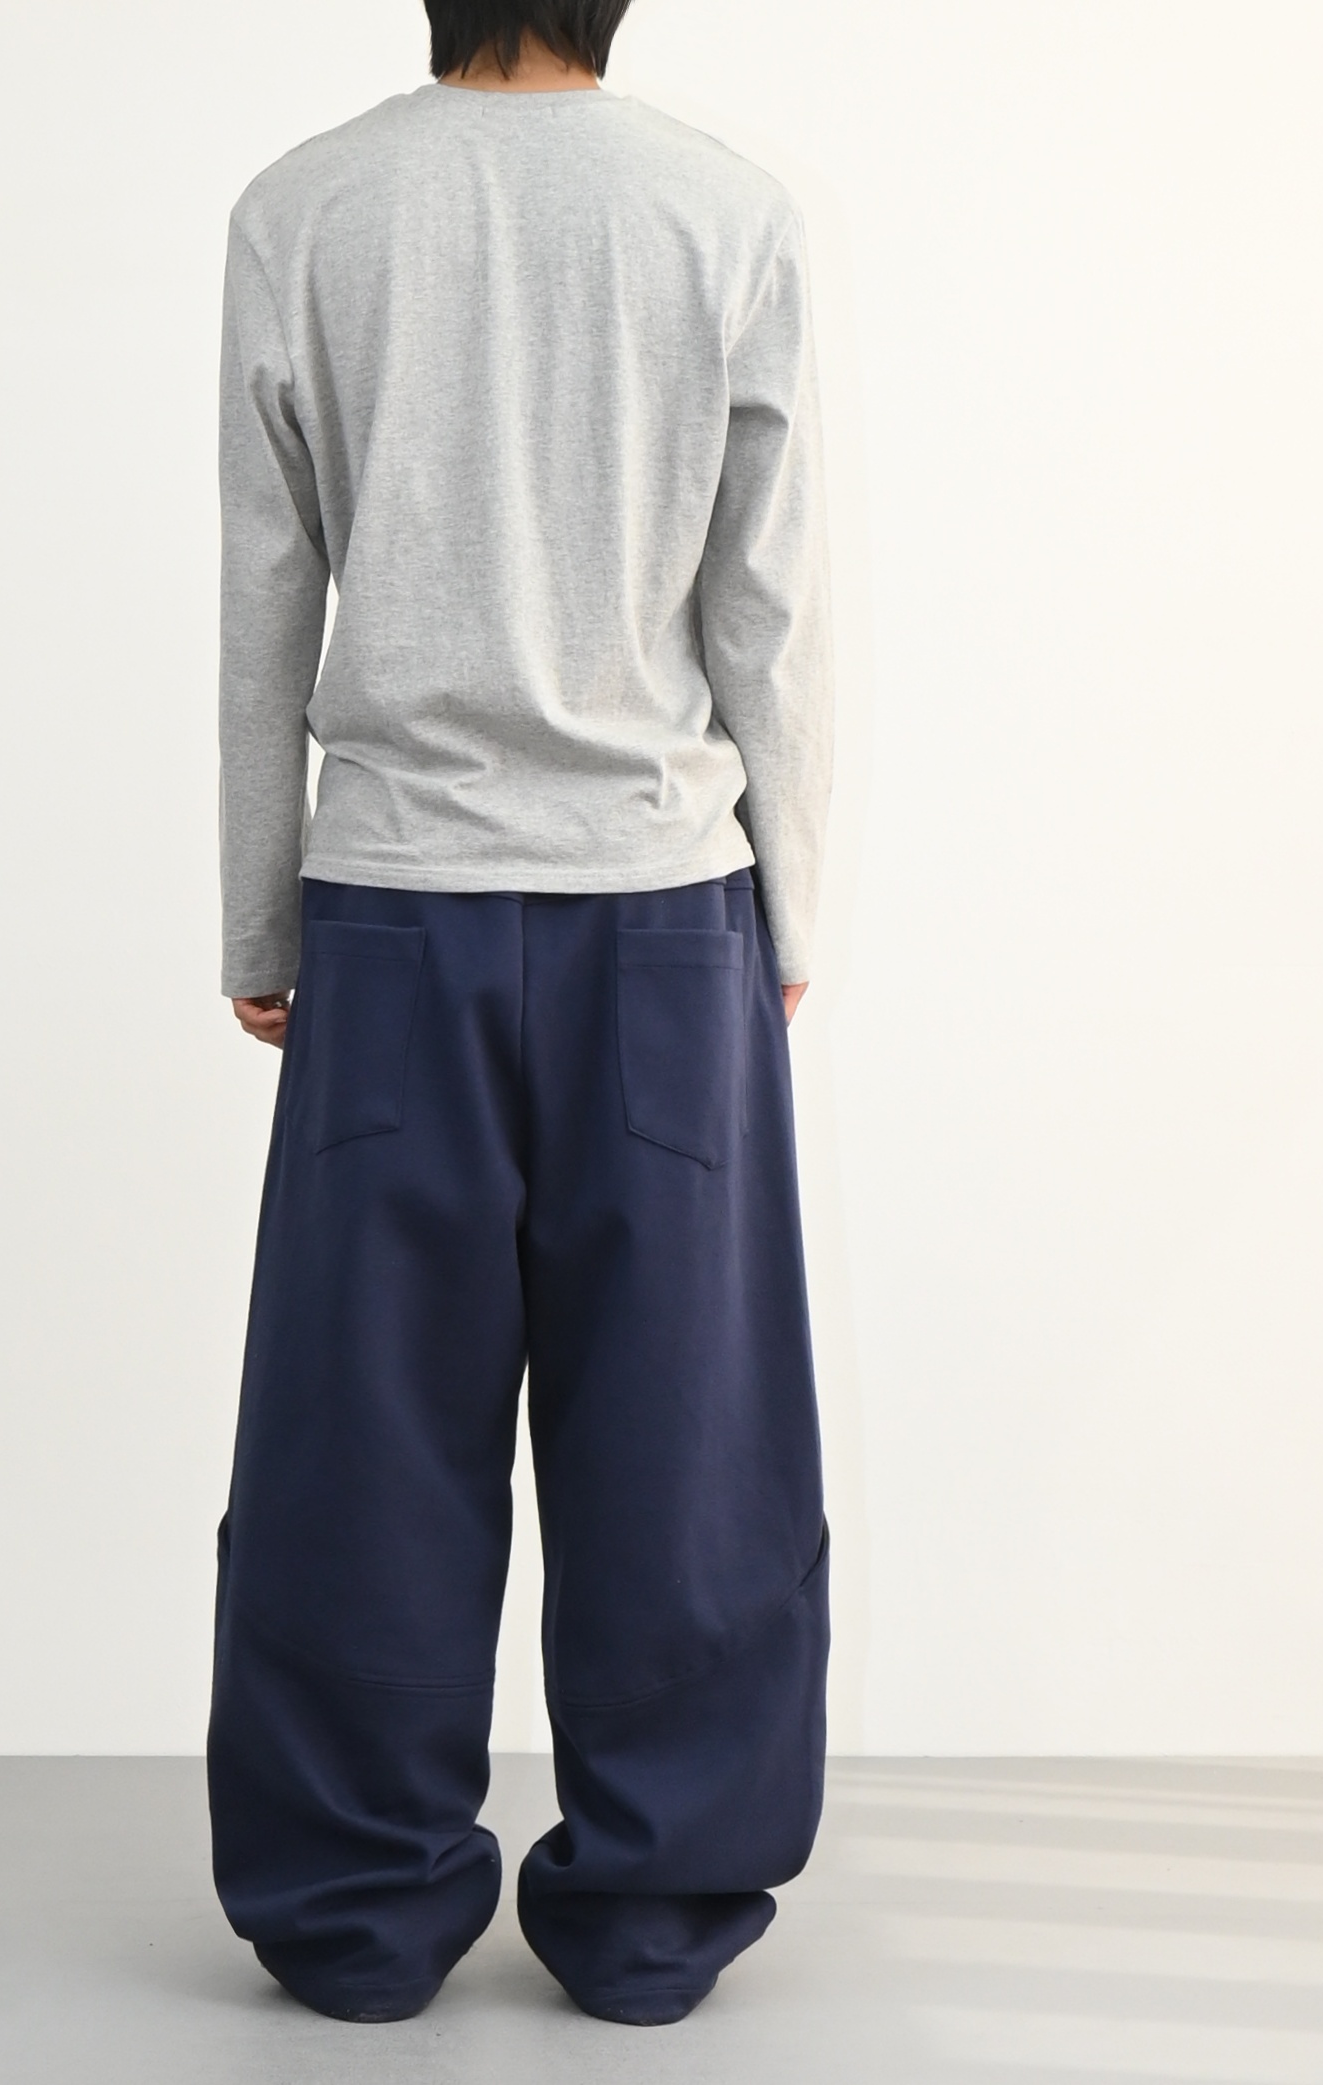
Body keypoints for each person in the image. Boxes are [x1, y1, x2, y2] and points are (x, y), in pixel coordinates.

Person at [207, 0, 835, 2028]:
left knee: (361, 1433)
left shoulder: (307, 208)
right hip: (662, 912)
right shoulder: (723, 213)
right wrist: (792, 897)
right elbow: (765, 603)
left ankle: (354, 1910)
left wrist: (260, 908)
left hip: (393, 912)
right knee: (687, 1437)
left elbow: (268, 589)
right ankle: (658, 1912)